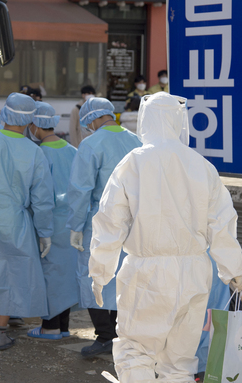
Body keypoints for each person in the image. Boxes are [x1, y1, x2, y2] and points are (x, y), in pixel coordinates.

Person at [88, 92, 242, 381]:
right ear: (179, 121)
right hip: (195, 273)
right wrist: (233, 270)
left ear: (145, 120)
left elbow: (110, 223)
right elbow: (223, 223)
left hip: (146, 272)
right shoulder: (201, 165)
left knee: (136, 350)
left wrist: (100, 271)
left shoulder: (132, 163)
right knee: (181, 360)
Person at [0, 92, 54, 354]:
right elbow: (42, 199)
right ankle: (1, 335)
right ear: (30, 120)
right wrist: (45, 232)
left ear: (4, 113)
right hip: (17, 223)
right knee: (10, 274)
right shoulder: (34, 152)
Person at [66, 97, 142, 357]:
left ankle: (104, 336)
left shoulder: (90, 145)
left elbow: (80, 189)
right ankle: (123, 335)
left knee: (95, 275)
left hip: (99, 222)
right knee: (126, 277)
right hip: (132, 222)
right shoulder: (136, 141)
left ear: (93, 118)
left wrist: (75, 226)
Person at [24, 102, 80, 340]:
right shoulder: (72, 151)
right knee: (66, 274)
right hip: (71, 222)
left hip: (50, 223)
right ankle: (64, 325)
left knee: (50, 275)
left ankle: (50, 327)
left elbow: (41, 197)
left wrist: (43, 229)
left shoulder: (38, 154)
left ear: (35, 125)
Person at [195, 255, 231, 382]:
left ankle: (203, 368)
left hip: (188, 262)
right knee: (214, 312)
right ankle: (205, 368)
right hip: (215, 261)